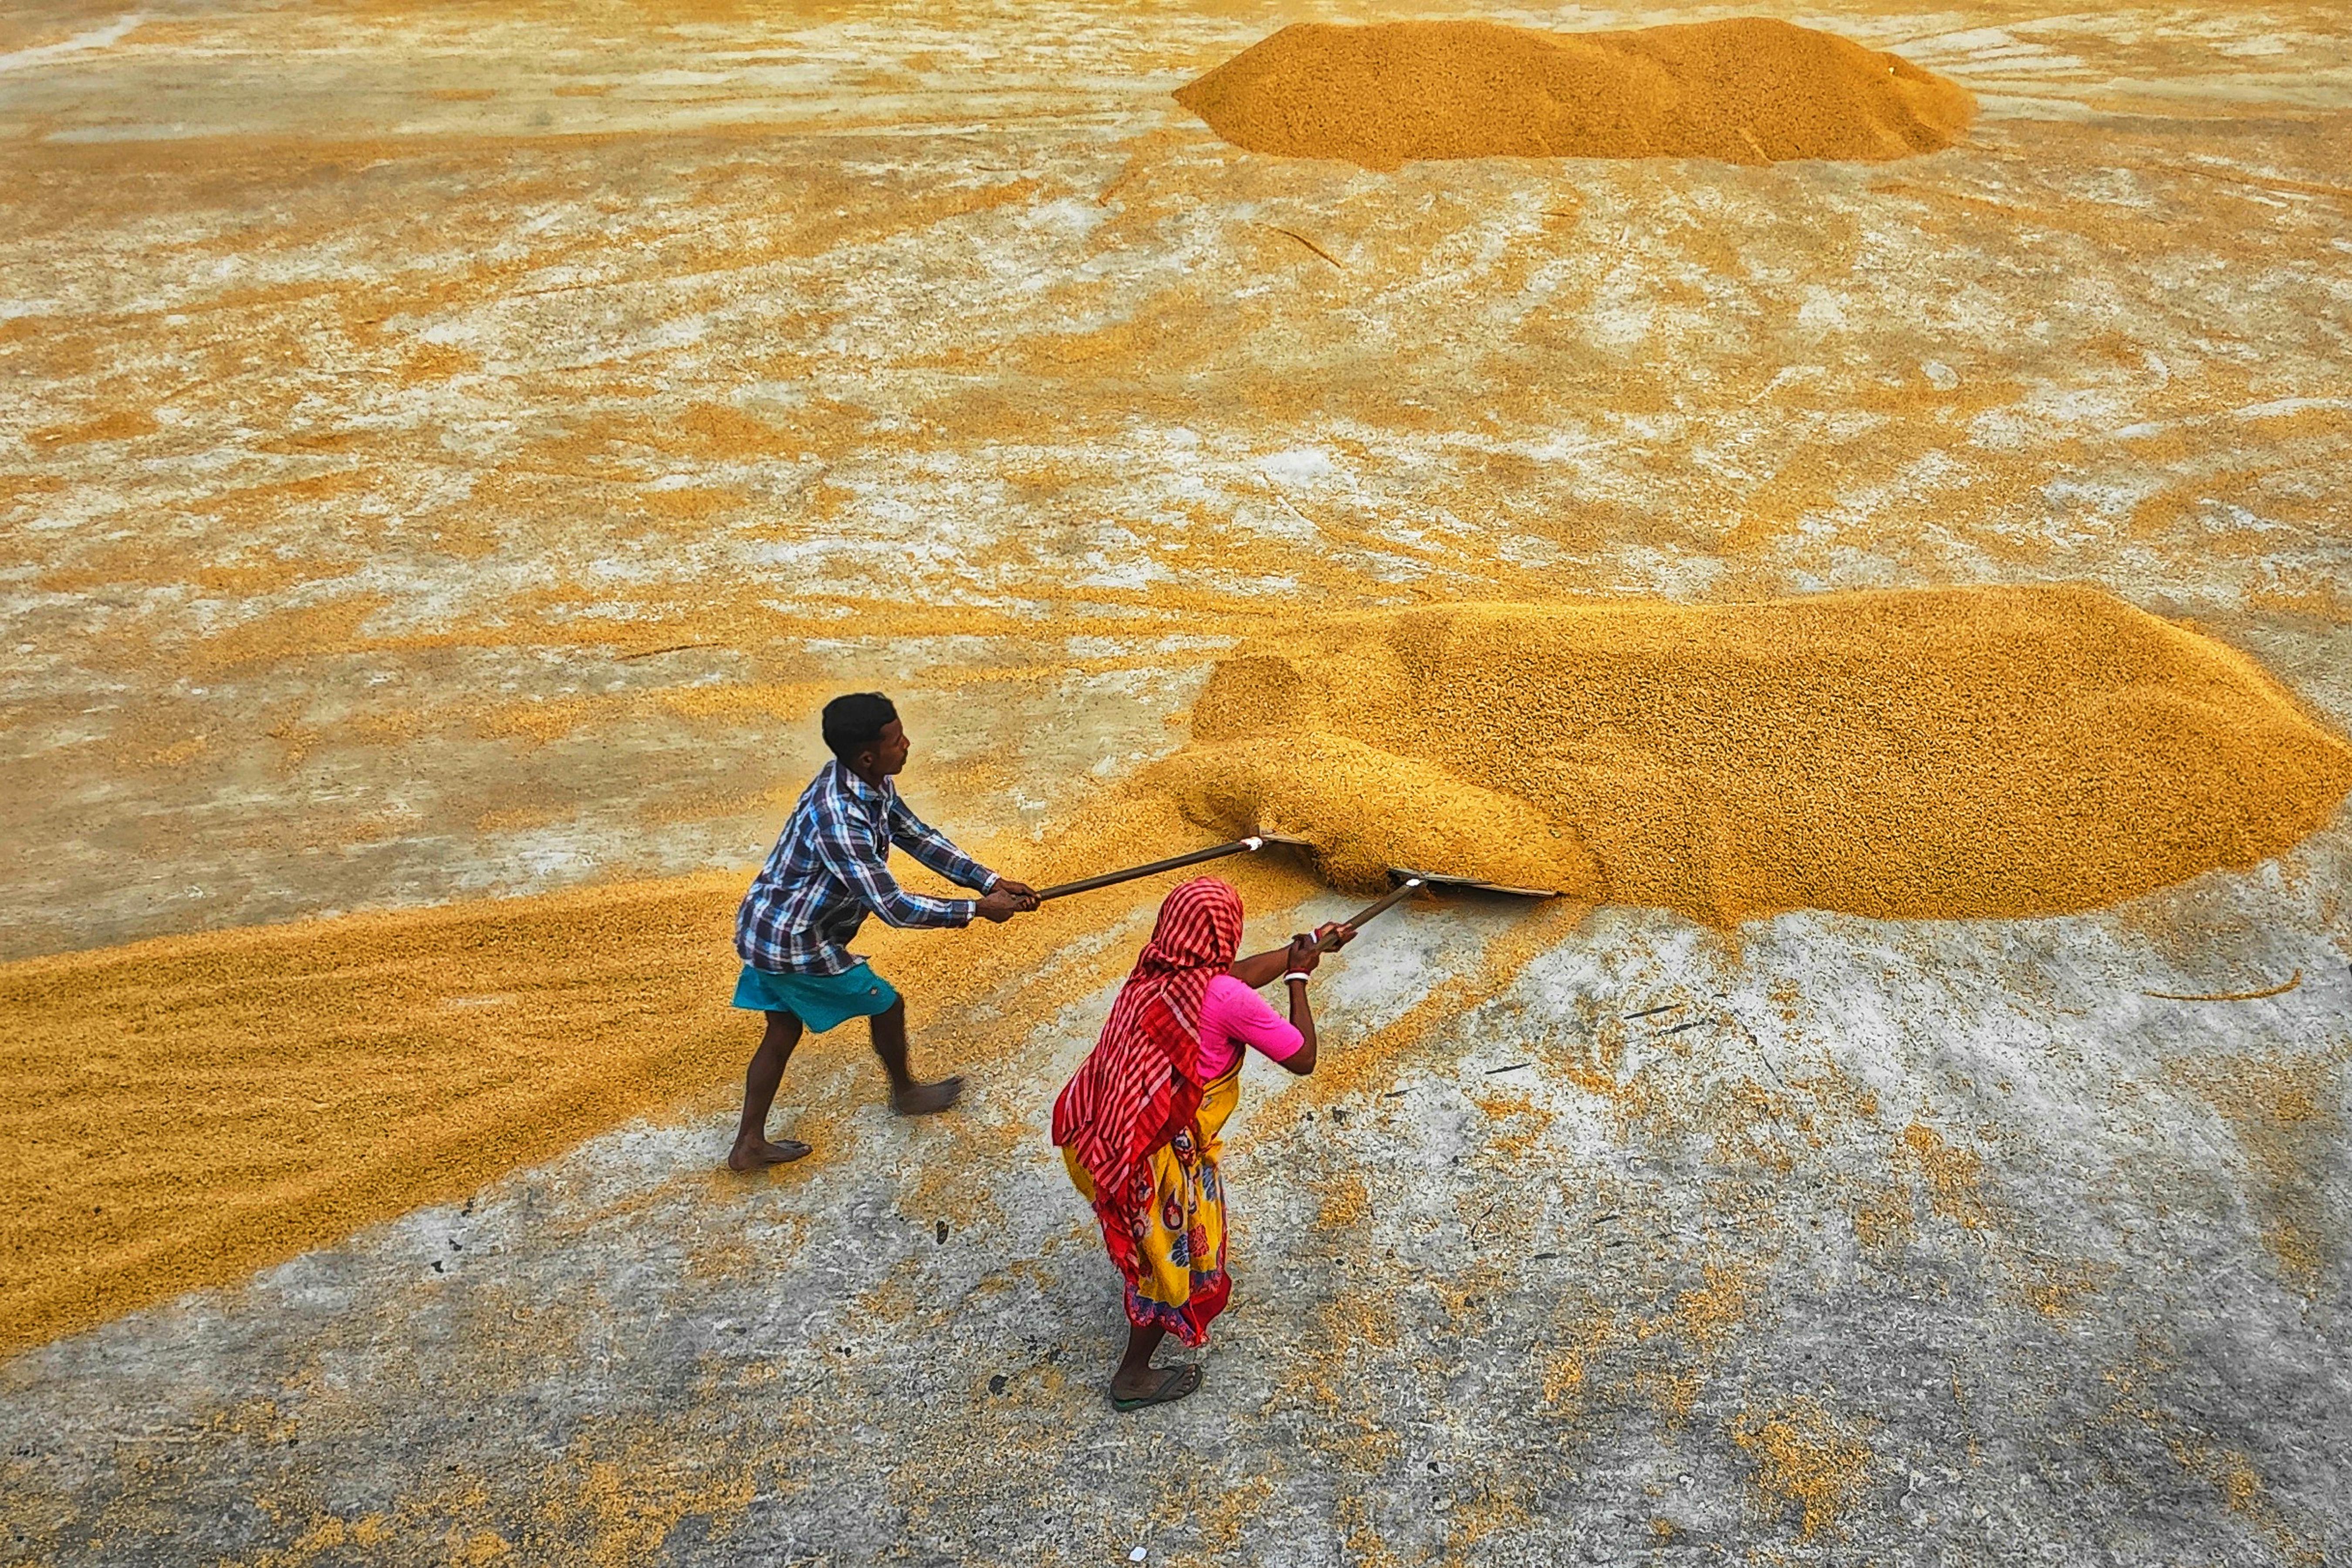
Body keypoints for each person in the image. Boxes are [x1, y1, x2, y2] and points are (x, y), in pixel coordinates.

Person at [1052, 876, 1353, 1410]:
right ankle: (1133, 1377)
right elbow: (1302, 1057)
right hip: (1156, 1161)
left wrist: (1298, 949)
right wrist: (1300, 978)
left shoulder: (1157, 971)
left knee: (1157, 1252)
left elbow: (1226, 979)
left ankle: (1150, 1282)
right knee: (1168, 1270)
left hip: (1099, 1137)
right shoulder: (1225, 997)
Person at [727, 692, 1037, 1171]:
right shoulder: (838, 818)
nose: (907, 744)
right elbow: (894, 907)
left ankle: (748, 1145)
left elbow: (916, 836)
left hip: (770, 926)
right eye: (897, 741)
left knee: (782, 1029)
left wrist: (989, 880)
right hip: (793, 942)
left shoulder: (867, 784)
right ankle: (906, 1092)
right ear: (869, 756)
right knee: (886, 1004)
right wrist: (977, 910)